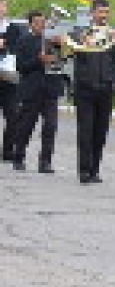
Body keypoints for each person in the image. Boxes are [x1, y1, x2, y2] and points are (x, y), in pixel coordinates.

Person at [71, 0, 115, 184]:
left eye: (106, 12)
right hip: (85, 89)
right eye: (100, 12)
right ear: (92, 13)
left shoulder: (112, 35)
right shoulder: (80, 33)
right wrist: (82, 39)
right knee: (86, 131)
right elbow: (67, 49)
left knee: (100, 132)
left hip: (106, 89)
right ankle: (84, 171)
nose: (104, 16)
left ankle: (95, 169)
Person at [12, 10, 66, 173]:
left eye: (43, 22)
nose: (41, 25)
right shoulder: (24, 40)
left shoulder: (53, 40)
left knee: (50, 126)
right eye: (37, 22)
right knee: (26, 125)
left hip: (51, 88)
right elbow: (20, 66)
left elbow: (63, 60)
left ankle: (45, 162)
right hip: (32, 89)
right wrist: (39, 60)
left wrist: (62, 47)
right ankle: (18, 156)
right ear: (30, 24)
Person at [0, 0, 24, 162]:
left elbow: (17, 48)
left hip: (8, 77)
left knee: (13, 115)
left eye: (3, 6)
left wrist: (5, 45)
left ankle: (8, 150)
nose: (1, 9)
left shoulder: (14, 28)